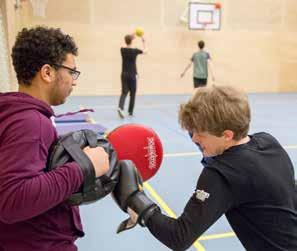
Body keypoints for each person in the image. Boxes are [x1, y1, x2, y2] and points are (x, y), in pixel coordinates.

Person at [112, 85, 297, 251]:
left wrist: (136, 200)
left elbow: (179, 236)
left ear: (226, 135)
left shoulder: (221, 174)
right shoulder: (268, 142)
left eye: (200, 134)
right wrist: (207, 144)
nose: (193, 139)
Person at [0, 26, 110, 251]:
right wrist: (83, 167)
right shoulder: (30, 123)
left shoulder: (16, 114)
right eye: (71, 72)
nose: (74, 81)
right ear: (48, 72)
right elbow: (12, 200)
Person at [117, 33, 147, 118]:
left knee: (124, 92)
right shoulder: (135, 51)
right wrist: (144, 41)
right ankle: (130, 112)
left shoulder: (122, 50)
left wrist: (132, 35)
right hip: (132, 75)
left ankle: (120, 107)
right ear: (132, 41)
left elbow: (126, 41)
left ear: (126, 41)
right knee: (133, 93)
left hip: (124, 74)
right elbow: (145, 51)